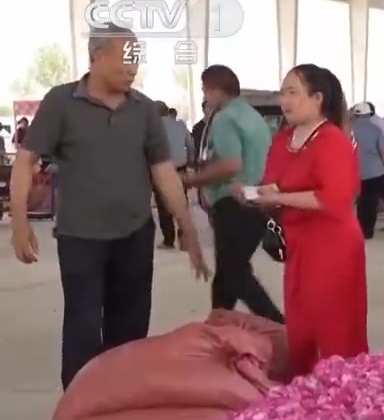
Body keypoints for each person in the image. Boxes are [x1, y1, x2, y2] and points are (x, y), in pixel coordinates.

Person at [9, 23, 208, 389]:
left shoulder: (144, 108)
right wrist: (19, 222)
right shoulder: (61, 102)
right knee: (83, 328)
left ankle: (120, 401)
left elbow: (163, 171)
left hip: (135, 233)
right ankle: (80, 405)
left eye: (136, 60)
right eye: (125, 59)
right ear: (97, 57)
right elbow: (26, 161)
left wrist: (187, 227)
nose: (133, 69)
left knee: (130, 330)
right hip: (80, 237)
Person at [250, 64, 367, 377]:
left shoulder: (332, 140)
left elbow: (334, 199)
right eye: (283, 93)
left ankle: (342, 387)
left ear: (318, 98)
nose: (285, 100)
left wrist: (280, 197)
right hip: (298, 243)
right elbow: (273, 183)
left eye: (293, 92)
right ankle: (304, 385)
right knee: (300, 322)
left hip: (333, 245)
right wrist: (258, 194)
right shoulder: (282, 140)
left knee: (334, 325)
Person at [181, 64, 284, 323]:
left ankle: (278, 323)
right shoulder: (251, 115)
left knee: (235, 273)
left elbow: (230, 165)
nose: (205, 97)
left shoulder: (225, 118)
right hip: (255, 200)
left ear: (215, 89)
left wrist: (191, 180)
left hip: (233, 204)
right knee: (228, 270)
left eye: (205, 91)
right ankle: (217, 323)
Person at [156, 102, 195, 249]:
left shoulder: (153, 127)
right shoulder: (180, 125)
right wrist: (191, 161)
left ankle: (168, 240)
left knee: (163, 206)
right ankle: (185, 239)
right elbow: (190, 145)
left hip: (161, 169)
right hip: (180, 168)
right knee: (181, 204)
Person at [351, 102, 384, 239]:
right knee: (371, 202)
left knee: (360, 202)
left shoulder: (348, 130)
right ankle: (368, 231)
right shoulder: (376, 130)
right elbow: (383, 151)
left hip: (355, 172)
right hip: (375, 172)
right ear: (369, 114)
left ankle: (358, 228)